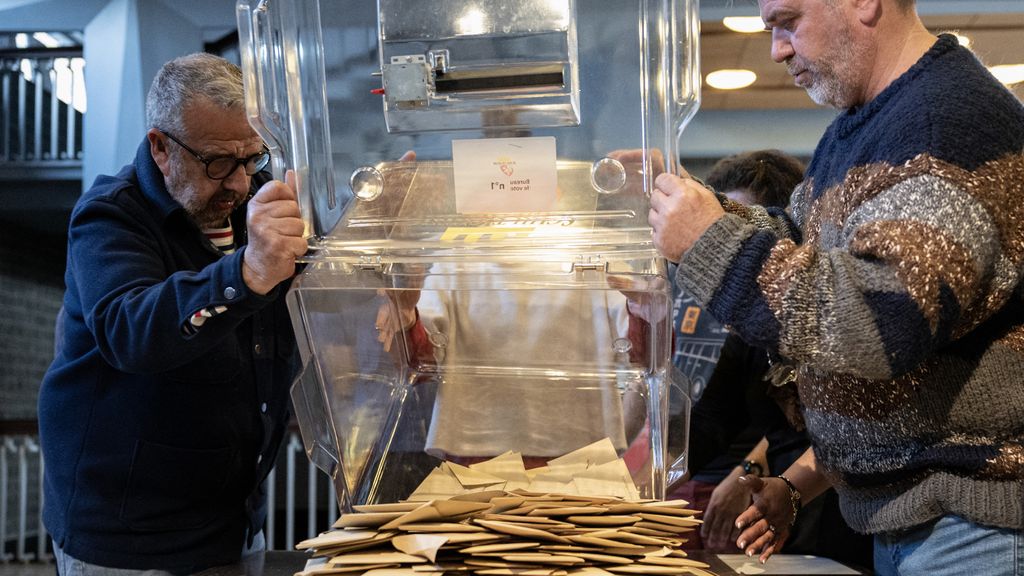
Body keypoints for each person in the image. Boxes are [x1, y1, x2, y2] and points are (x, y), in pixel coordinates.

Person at [647, 0, 1024, 573]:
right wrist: (694, 213)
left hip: (972, 529)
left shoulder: (944, 119)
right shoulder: (865, 124)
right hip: (915, 519)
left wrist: (706, 240)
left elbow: (882, 318)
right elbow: (798, 244)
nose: (777, 48)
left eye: (787, 21)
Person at [38, 53, 308, 573]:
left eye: (250, 159)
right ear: (161, 147)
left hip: (233, 518)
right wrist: (246, 274)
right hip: (130, 537)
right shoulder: (110, 216)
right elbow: (128, 330)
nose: (236, 183)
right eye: (217, 162)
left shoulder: (253, 204)